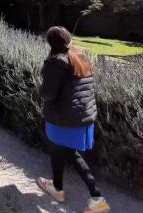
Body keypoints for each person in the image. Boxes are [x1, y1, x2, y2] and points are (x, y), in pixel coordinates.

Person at [37, 26, 110, 213]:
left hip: (62, 118)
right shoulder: (80, 56)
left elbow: (47, 94)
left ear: (50, 43)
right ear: (69, 39)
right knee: (67, 151)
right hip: (83, 116)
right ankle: (76, 193)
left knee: (60, 149)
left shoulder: (55, 62)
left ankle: (82, 195)